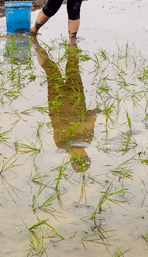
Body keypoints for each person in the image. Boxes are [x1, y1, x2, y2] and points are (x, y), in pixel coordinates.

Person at [32, 37, 98, 171]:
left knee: (72, 68)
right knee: (51, 71)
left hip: (75, 99)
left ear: (86, 156)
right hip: (57, 104)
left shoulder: (86, 140)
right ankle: (35, 45)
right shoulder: (60, 145)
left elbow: (90, 117)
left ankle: (72, 42)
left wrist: (98, 112)